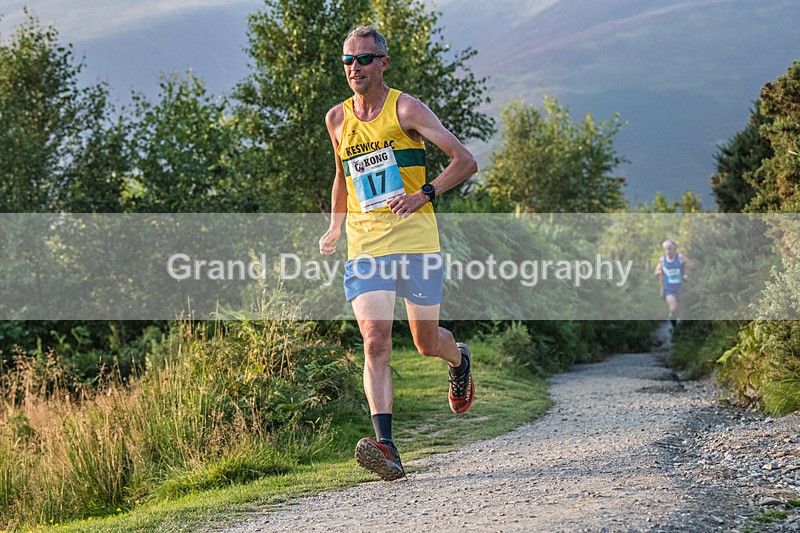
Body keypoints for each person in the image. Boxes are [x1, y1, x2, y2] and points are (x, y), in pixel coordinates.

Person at [319, 25, 478, 481]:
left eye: (364, 59)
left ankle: (458, 359)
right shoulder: (337, 119)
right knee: (375, 340)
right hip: (366, 246)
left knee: (426, 343)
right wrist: (335, 225)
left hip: (416, 243)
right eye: (348, 60)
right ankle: (386, 447)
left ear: (383, 62)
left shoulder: (405, 108)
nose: (355, 68)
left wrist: (423, 194)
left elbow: (464, 160)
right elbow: (342, 176)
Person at [654, 239, 690, 328]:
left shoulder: (680, 257)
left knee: (681, 311)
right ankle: (673, 326)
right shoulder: (662, 260)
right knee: (673, 308)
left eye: (669, 249)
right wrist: (659, 271)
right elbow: (656, 272)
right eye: (665, 249)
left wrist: (686, 275)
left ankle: (679, 326)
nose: (667, 251)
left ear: (674, 248)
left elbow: (690, 265)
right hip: (668, 289)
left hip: (680, 288)